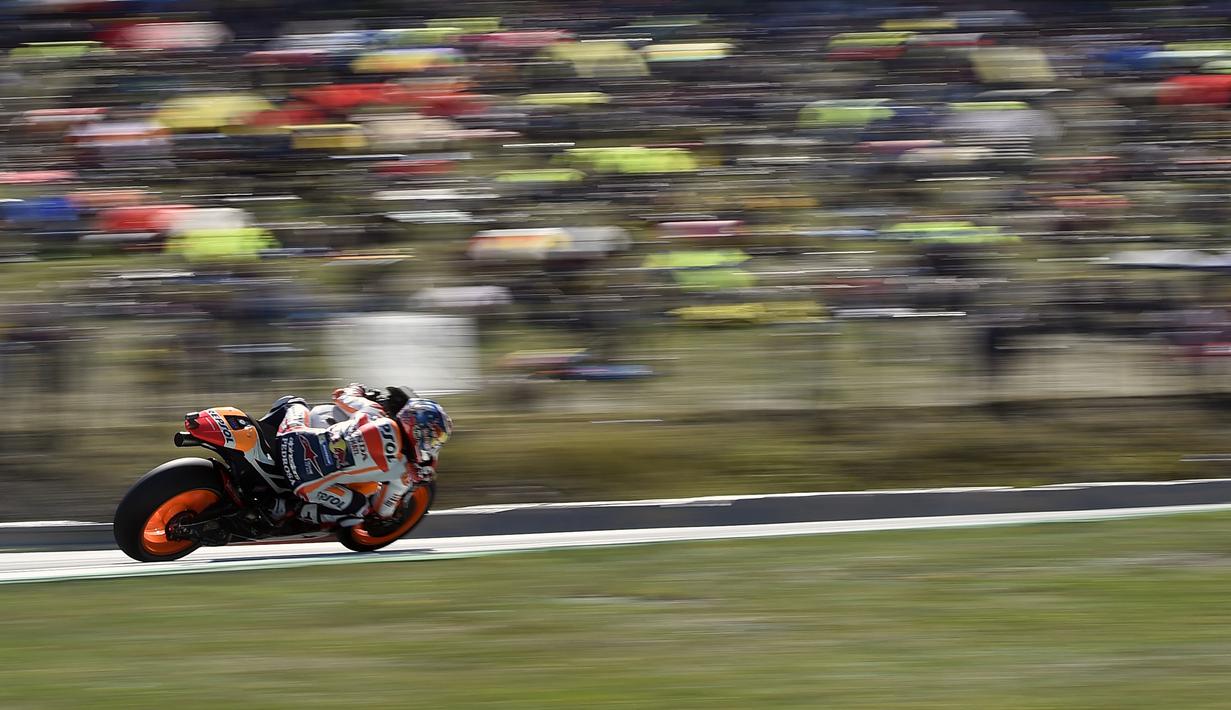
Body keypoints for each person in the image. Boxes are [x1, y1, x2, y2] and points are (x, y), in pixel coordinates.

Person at [270, 383, 452, 527]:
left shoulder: (374, 411)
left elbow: (340, 396)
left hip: (290, 438)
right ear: (419, 432)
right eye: (433, 439)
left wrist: (359, 389)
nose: (432, 445)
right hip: (304, 483)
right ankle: (293, 511)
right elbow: (384, 510)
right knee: (361, 510)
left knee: (295, 403)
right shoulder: (403, 471)